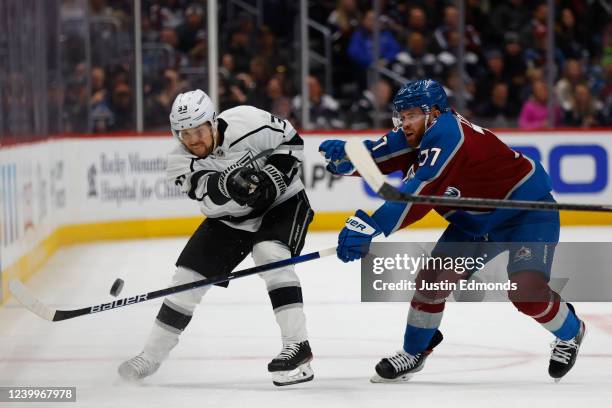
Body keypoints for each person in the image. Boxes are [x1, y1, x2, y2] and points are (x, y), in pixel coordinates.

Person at [319, 79, 586, 383]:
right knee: (431, 282)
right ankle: (415, 351)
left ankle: (571, 333)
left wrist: (373, 224)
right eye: (401, 116)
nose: (404, 123)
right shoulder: (418, 130)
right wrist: (350, 159)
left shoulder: (447, 136)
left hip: (525, 214)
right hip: (474, 223)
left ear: (433, 112)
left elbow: (417, 195)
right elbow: (380, 153)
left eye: (411, 115)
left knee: (526, 292)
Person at [119, 89, 315, 386]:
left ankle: (298, 345)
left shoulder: (248, 120)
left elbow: (292, 141)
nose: (194, 140)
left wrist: (271, 180)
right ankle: (150, 357)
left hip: (283, 203)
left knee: (270, 254)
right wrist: (228, 184)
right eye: (185, 134)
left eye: (199, 130)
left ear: (212, 123)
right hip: (231, 218)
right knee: (186, 280)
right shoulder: (179, 163)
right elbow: (206, 187)